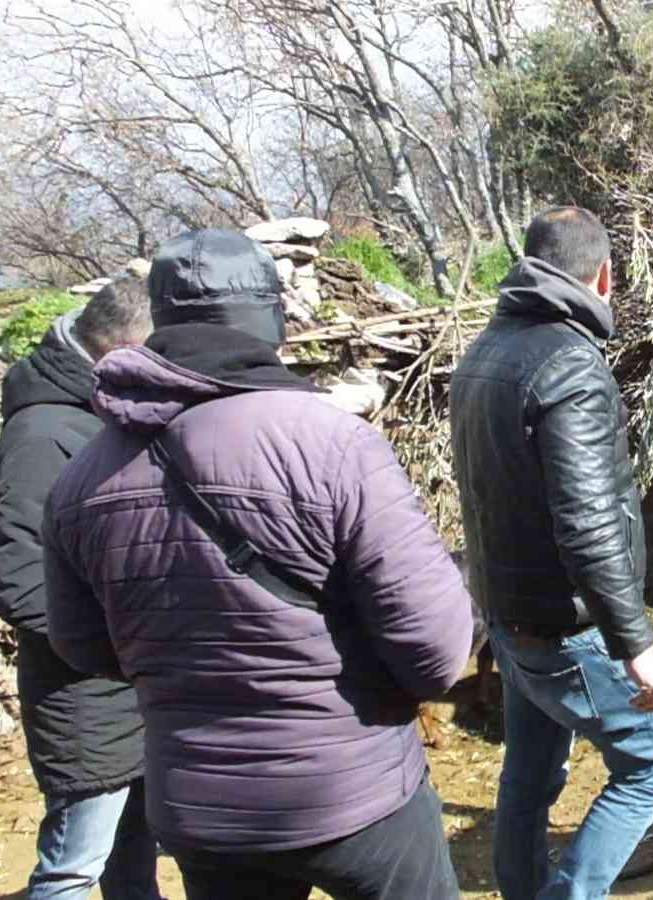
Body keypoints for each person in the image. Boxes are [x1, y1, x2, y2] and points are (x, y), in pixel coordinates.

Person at [41, 228, 473, 899]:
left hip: (200, 807)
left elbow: (81, 646)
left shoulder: (80, 481)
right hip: (350, 793)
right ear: (270, 318)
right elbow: (436, 654)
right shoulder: (334, 443)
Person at [451, 206, 653, 900]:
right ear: (603, 276)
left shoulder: (484, 352)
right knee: (651, 767)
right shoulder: (570, 366)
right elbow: (587, 522)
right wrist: (635, 643)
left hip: (509, 617)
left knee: (528, 771)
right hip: (564, 626)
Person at [0, 275, 158, 900]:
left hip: (127, 691)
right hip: (85, 697)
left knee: (132, 863)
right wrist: (119, 640)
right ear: (122, 348)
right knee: (72, 868)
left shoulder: (98, 412)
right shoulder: (41, 434)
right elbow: (21, 582)